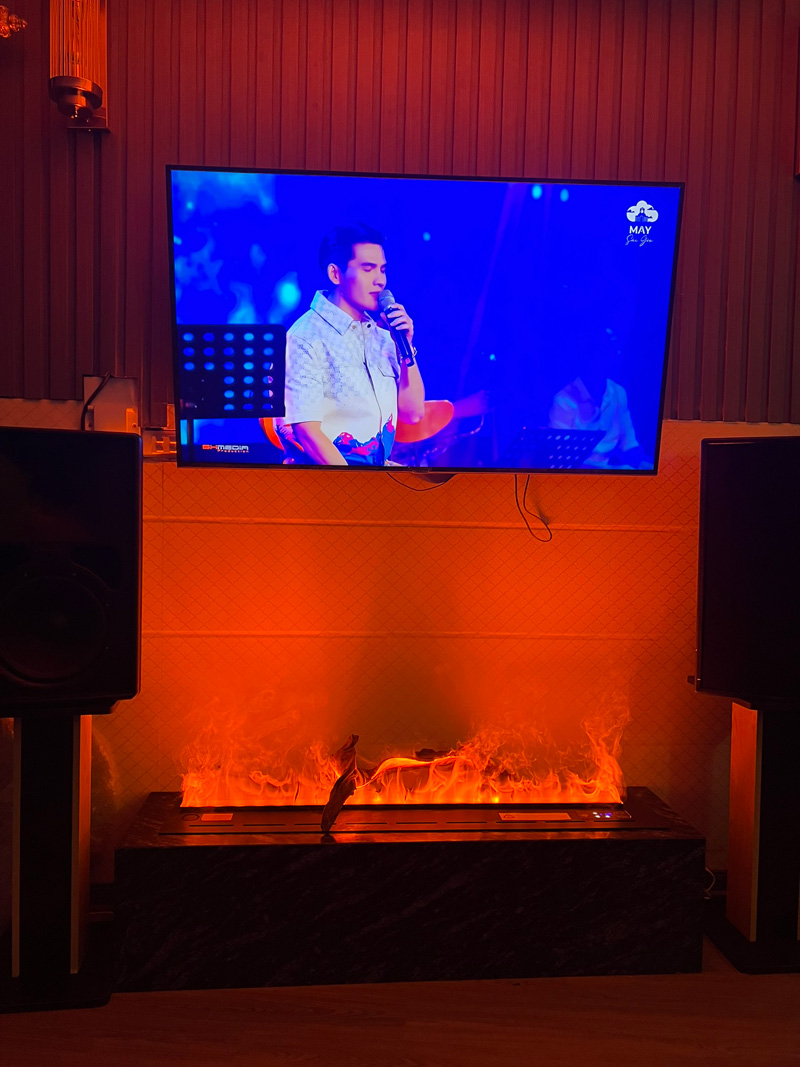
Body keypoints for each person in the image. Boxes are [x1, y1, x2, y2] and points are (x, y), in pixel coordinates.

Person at [280, 223, 425, 466]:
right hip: (329, 480)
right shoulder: (304, 337)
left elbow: (413, 413)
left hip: (375, 475)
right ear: (335, 274)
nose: (380, 281)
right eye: (368, 269)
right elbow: (307, 432)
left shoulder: (383, 336)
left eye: (382, 269)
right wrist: (352, 483)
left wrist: (405, 348)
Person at [548, 328, 650, 469]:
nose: (617, 354)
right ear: (592, 355)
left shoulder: (618, 392)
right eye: (609, 349)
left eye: (617, 348)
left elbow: (629, 444)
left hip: (611, 470)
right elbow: (560, 458)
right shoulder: (563, 400)